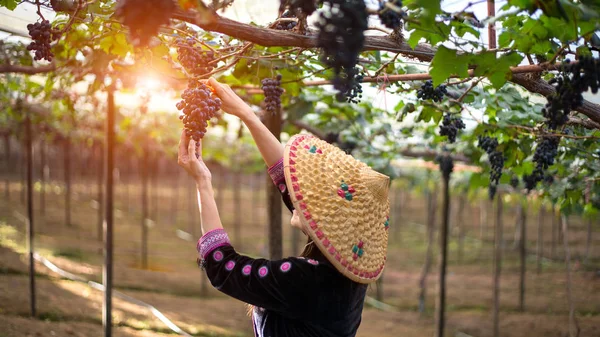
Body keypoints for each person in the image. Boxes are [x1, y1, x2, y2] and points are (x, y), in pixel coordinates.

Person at [177, 77, 390, 337]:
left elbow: (223, 267)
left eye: (316, 198)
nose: (303, 196)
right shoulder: (346, 273)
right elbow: (287, 179)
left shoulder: (303, 280)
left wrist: (203, 182)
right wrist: (247, 114)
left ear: (327, 222)